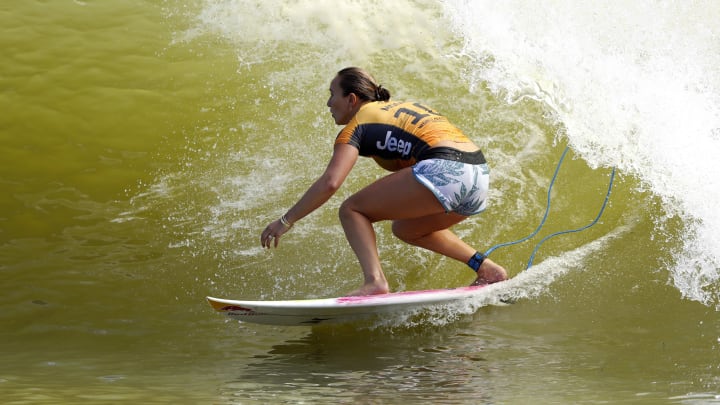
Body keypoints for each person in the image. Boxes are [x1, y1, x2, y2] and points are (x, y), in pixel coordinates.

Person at [261, 67, 507, 296]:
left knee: (351, 210)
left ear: (352, 99)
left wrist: (286, 220)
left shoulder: (359, 124)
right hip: (478, 176)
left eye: (332, 94)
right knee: (406, 229)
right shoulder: (401, 108)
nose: (328, 103)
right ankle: (486, 268)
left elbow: (331, 182)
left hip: (444, 167)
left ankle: (375, 281)